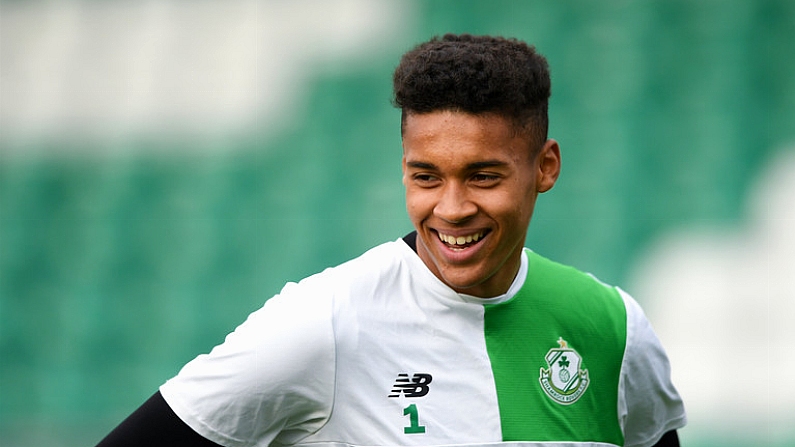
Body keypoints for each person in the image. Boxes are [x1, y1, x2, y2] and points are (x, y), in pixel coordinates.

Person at [96, 33, 686, 447]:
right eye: (426, 176)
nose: (451, 209)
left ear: (546, 166)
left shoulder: (612, 326)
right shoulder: (322, 321)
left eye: (483, 175)